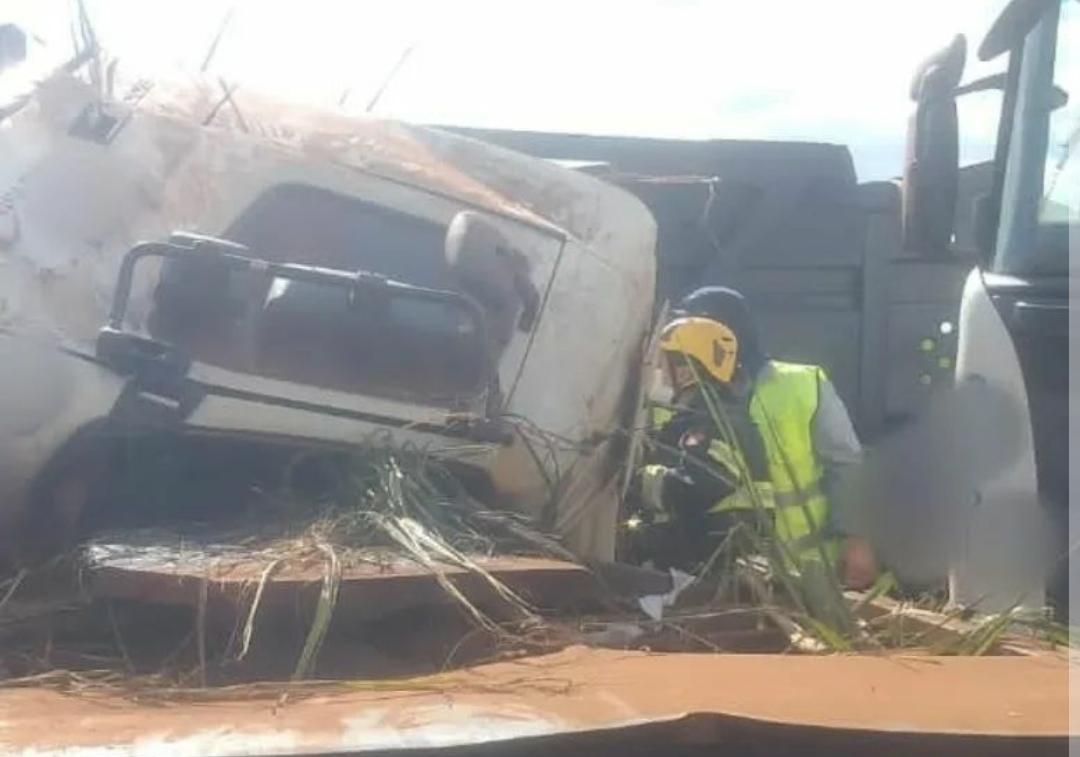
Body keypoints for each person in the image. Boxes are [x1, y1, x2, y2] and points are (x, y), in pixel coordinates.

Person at [636, 286, 876, 589]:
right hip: (720, 571)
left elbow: (846, 465)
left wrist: (857, 540)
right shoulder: (677, 399)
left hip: (808, 573)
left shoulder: (801, 385)